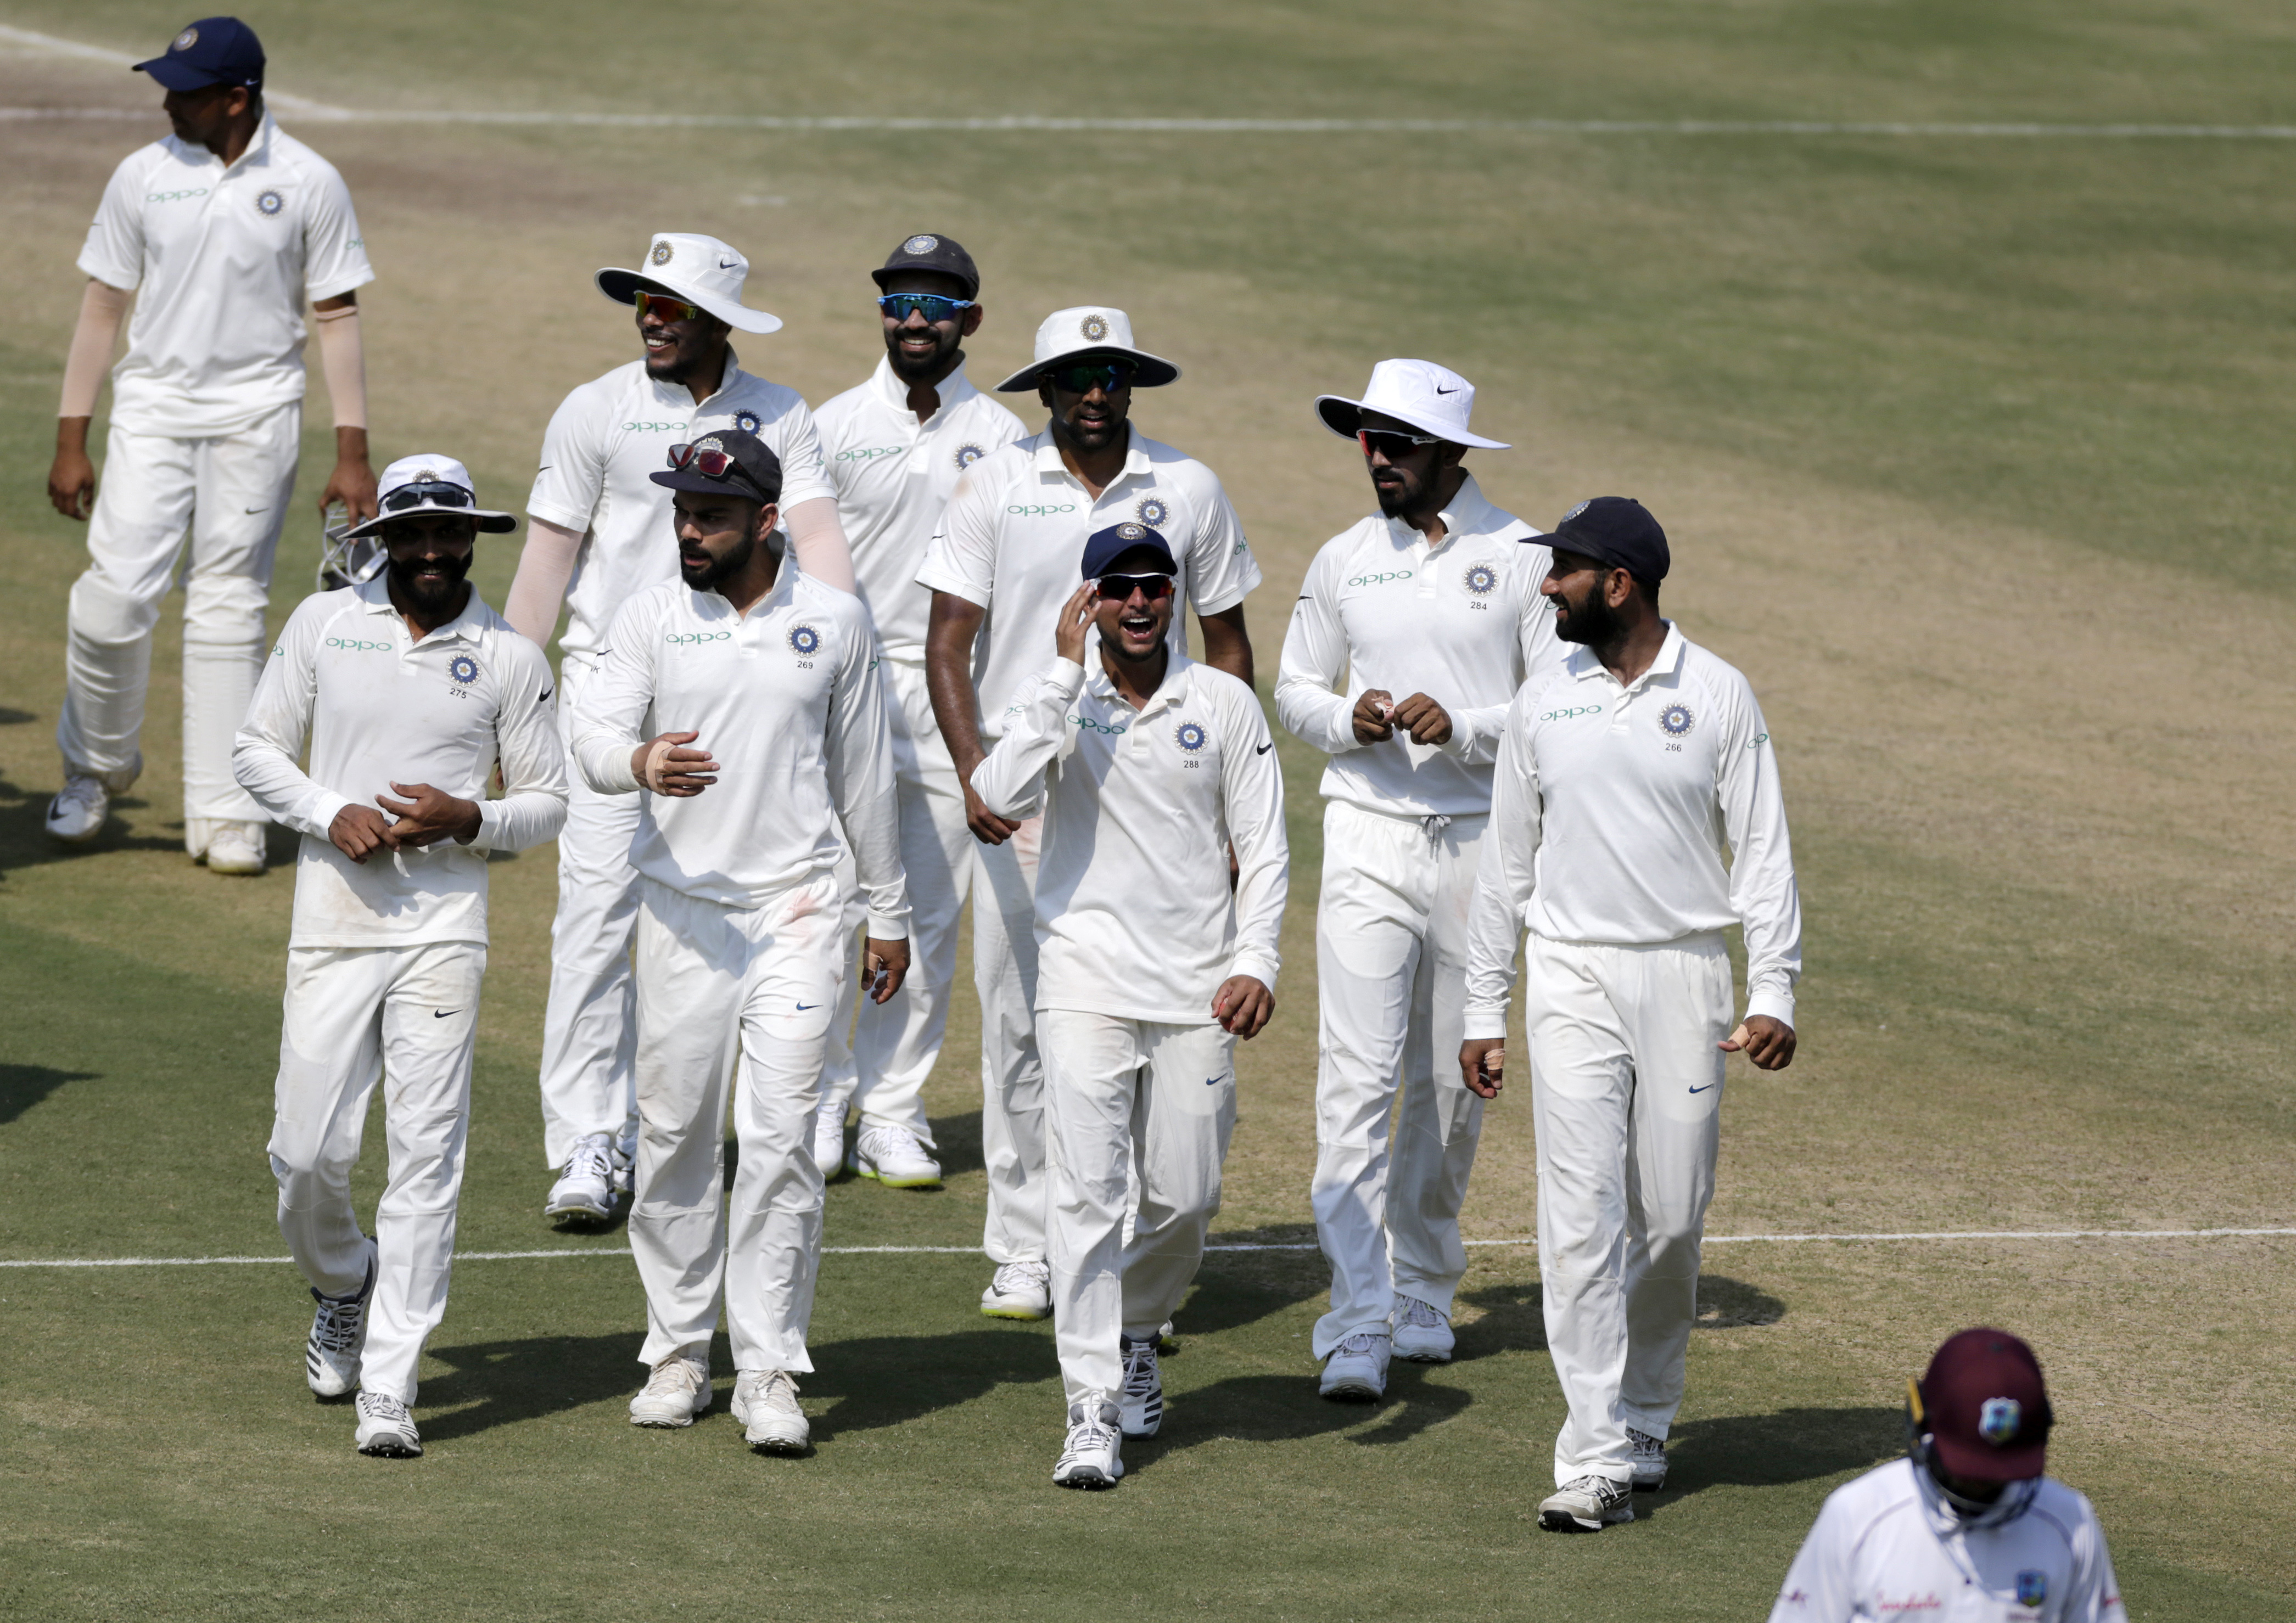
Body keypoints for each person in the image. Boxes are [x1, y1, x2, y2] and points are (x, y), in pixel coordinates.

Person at [1458, 496, 1801, 1532]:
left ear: (1620, 583)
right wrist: (1485, 1003)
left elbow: (1763, 849)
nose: (1546, 585)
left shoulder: (1719, 692)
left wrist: (1771, 988)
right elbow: (1504, 865)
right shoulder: (1540, 698)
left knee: (1670, 1214)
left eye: (1563, 569)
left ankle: (1648, 1412)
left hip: (1686, 977)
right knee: (1578, 1217)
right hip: (1568, 976)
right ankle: (1594, 1449)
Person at [502, 232, 857, 1229]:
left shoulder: (782, 413)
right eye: (644, 302)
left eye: (674, 306)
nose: (653, 318)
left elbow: (820, 545)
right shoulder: (594, 408)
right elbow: (547, 561)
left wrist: (828, 666)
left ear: (720, 319)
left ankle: (790, 1105)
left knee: (774, 908)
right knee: (595, 921)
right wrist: (509, 702)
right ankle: (586, 1139)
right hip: (616, 703)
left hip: (746, 700)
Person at [566, 429, 908, 1456]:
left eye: (711, 516)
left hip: (801, 910)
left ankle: (766, 1364)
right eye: (681, 513)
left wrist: (886, 911)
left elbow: (867, 777)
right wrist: (637, 759)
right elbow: (590, 741)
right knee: (672, 1137)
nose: (690, 531)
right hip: (682, 911)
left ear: (766, 520)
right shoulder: (651, 615)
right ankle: (677, 1349)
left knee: (781, 1137)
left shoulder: (836, 623)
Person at [919, 304, 1262, 1320]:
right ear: (1046, 390)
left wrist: (1230, 817)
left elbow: (1228, 645)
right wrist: (981, 770)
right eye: (1076, 377)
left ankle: (1138, 1249)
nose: (1096, 393)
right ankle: (1027, 1244)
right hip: (1028, 798)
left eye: (1113, 374)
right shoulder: (991, 484)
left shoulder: (1189, 488)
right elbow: (948, 643)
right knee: (1026, 1024)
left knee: (1161, 1025)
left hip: (1163, 801)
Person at [232, 454, 567, 1458]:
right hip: (333, 922)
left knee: (426, 1157)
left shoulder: (509, 655)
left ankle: (391, 1383)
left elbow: (547, 802)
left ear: (471, 537)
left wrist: (471, 815)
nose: (429, 551)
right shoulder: (323, 624)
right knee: (305, 1156)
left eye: (446, 533)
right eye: (409, 534)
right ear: (382, 542)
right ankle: (344, 1279)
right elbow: (255, 751)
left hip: (443, 936)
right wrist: (330, 812)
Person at [971, 523, 1287, 1489]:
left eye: (1155, 586)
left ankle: (1140, 1328)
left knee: (1184, 1196)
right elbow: (993, 795)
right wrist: (1060, 684)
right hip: (1083, 980)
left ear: (1174, 596)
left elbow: (1264, 844)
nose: (1140, 604)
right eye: (1120, 589)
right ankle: (1092, 1405)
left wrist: (1258, 961)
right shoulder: (1058, 698)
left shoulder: (1223, 701)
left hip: (1198, 986)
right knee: (1086, 1195)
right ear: (1090, 602)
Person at [1275, 359, 1559, 1402]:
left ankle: (1425, 1287)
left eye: (1397, 443)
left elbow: (1551, 705)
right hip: (1365, 836)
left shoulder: (1522, 556)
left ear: (1449, 453)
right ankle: (1356, 1315)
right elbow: (1293, 686)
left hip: (1483, 842)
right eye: (1367, 439)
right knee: (1352, 1083)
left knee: (1449, 1079)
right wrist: (1342, 717)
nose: (1378, 458)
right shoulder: (1343, 557)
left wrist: (1465, 725)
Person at [47, 14, 377, 874]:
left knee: (230, 608)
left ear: (238, 98)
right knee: (114, 596)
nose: (166, 103)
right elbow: (102, 308)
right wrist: (72, 436)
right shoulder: (142, 176)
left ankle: (229, 812)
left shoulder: (309, 180)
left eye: (185, 92)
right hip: (153, 408)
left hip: (257, 411)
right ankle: (95, 770)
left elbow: (336, 315)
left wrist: (353, 452)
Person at [808, 233, 1027, 1189]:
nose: (913, 319)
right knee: (827, 901)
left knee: (929, 911)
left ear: (969, 321)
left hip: (952, 689)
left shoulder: (1009, 438)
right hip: (840, 687)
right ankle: (814, 1097)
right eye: (898, 300)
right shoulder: (828, 425)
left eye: (936, 304)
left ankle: (890, 1110)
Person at [1771, 1329, 2126, 1622]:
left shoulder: (2071, 1521)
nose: (1982, 1485)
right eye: (1968, 1469)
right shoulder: (1858, 1514)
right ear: (1922, 1422)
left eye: (1999, 1474)